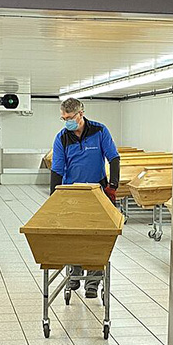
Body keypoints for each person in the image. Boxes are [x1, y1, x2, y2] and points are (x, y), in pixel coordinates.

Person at [50, 98, 120, 298]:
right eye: (63, 118)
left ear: (80, 114)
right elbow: (57, 169)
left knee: (97, 237)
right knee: (73, 236)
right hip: (72, 193)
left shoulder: (99, 131)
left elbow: (113, 158)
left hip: (97, 192)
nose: (66, 122)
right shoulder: (62, 138)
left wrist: (113, 185)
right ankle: (74, 274)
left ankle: (93, 282)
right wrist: (54, 198)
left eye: (69, 118)